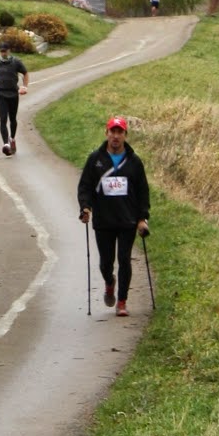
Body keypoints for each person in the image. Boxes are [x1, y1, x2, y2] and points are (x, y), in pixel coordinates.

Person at [77, 115, 150, 313]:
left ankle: (122, 302)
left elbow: (143, 191)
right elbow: (85, 187)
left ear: (125, 135)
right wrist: (85, 207)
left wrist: (142, 218)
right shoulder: (95, 160)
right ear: (106, 133)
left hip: (127, 220)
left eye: (120, 132)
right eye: (113, 132)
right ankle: (110, 282)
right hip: (104, 220)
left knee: (124, 259)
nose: (116, 136)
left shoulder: (134, 162)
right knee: (105, 263)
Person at [0, 37, 29, 155]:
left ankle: (12, 138)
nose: (3, 53)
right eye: (1, 51)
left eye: (5, 51)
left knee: (12, 119)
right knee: (2, 119)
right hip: (1, 93)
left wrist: (24, 86)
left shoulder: (16, 62)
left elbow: (25, 73)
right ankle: (6, 144)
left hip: (13, 94)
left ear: (9, 51)